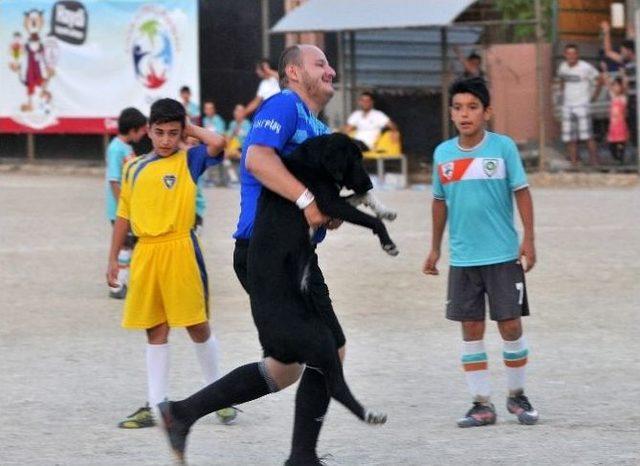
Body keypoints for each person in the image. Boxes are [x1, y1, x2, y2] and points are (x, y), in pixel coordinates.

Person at [158, 45, 385, 466]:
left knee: (287, 368)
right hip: (267, 254)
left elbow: (318, 207)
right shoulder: (283, 104)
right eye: (321, 64)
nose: (331, 70)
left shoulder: (316, 127)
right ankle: (301, 457)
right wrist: (306, 201)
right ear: (294, 73)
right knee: (326, 352)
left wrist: (334, 209)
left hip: (290, 256)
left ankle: (182, 413)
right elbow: (257, 158)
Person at [107, 98, 237, 429]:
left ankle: (218, 395)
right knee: (155, 328)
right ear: (148, 130)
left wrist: (189, 127)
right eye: (160, 132)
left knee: (196, 324)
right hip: (145, 253)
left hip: (180, 249)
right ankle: (156, 405)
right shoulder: (132, 168)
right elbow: (123, 214)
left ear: (182, 133)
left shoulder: (189, 159)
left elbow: (220, 142)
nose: (166, 140)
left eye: (173, 133)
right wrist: (112, 259)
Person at [423, 77, 539, 429]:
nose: (464, 114)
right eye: (458, 107)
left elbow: (521, 192)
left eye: (472, 107)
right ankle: (481, 404)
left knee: (510, 325)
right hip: (463, 259)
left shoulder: (502, 149)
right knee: (471, 328)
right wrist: (434, 248)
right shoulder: (442, 154)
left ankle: (517, 396)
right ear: (451, 113)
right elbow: (439, 202)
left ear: (487, 112)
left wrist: (529, 239)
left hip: (502, 256)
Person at [104, 107, 147, 299]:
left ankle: (124, 281)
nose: (144, 133)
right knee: (125, 245)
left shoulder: (127, 148)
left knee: (130, 245)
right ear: (132, 129)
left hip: (130, 208)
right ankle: (116, 285)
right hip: (120, 210)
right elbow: (114, 180)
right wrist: (125, 207)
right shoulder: (115, 148)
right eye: (142, 129)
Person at [557, 44, 600, 166]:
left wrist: (594, 96)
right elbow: (561, 80)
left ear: (577, 55)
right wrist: (561, 94)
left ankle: (595, 163)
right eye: (568, 53)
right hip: (568, 106)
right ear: (565, 55)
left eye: (573, 53)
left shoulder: (585, 67)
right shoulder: (563, 67)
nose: (571, 56)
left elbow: (599, 78)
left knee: (587, 136)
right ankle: (574, 163)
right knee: (570, 137)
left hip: (582, 105)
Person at [601, 21, 637, 145]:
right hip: (632, 100)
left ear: (629, 51)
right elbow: (608, 52)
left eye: (622, 50)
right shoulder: (624, 61)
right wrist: (606, 33)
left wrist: (634, 36)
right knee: (634, 128)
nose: (620, 53)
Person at [601, 65, 629, 164]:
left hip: (621, 126)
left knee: (621, 144)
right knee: (612, 145)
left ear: (621, 87)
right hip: (613, 127)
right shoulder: (613, 97)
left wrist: (623, 74)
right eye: (614, 85)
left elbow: (625, 85)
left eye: (618, 85)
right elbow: (607, 83)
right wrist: (605, 71)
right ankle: (617, 159)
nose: (615, 87)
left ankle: (620, 159)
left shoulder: (623, 98)